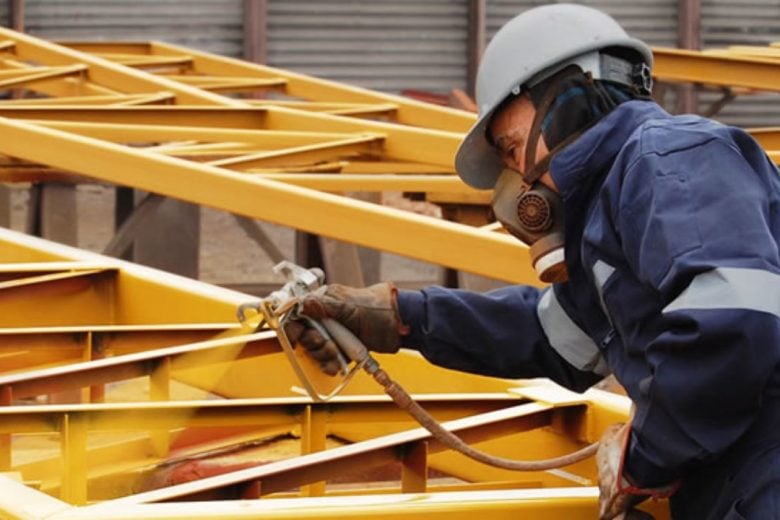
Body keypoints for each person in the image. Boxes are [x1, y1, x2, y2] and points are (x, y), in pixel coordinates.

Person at [285, 4, 780, 519]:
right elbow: (550, 339)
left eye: (510, 146)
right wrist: (402, 318)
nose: (518, 176)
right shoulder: (609, 217)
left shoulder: (672, 159)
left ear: (568, 96)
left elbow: (731, 326)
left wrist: (643, 460)